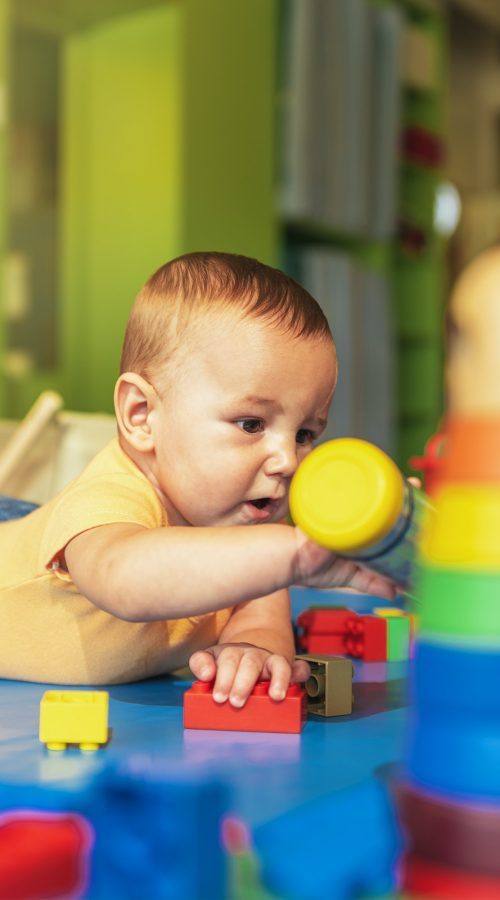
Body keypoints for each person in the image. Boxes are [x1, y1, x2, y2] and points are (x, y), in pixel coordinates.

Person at [0, 252, 395, 703]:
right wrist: (297, 556)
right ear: (142, 415)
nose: (287, 460)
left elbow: (261, 611)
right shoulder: (110, 497)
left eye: (305, 433)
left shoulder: (249, 525)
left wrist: (253, 648)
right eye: (251, 424)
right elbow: (124, 578)